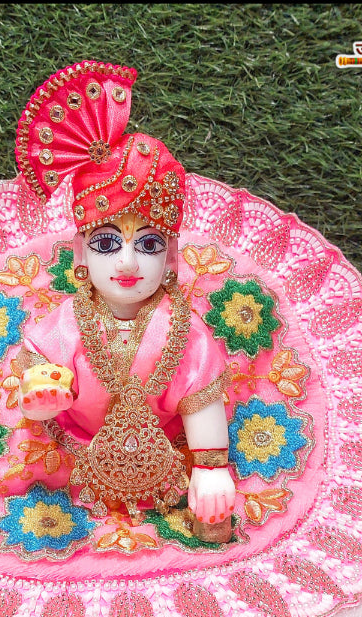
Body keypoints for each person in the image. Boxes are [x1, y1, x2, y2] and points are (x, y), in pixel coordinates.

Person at [13, 60, 236, 542]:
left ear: (171, 257)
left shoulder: (183, 329)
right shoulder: (68, 323)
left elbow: (200, 400)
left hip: (168, 458)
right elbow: (38, 386)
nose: (129, 262)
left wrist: (211, 469)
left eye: (149, 244)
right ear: (80, 254)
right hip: (73, 458)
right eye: (107, 243)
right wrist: (42, 402)